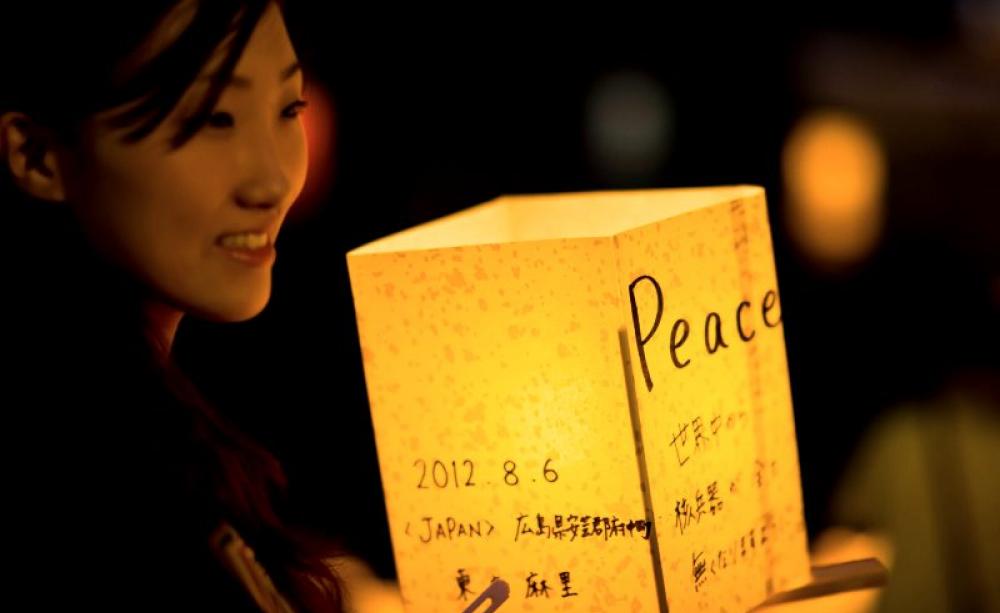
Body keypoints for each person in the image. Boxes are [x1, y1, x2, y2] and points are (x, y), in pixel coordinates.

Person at [1, 2, 344, 611]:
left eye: (289, 109)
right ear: (37, 154)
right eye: (214, 119)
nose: (272, 183)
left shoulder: (166, 428)